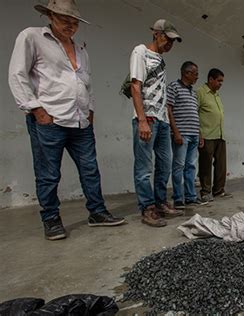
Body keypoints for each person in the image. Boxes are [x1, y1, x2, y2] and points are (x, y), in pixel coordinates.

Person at [8, 0, 125, 240]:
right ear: (50, 15)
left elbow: (86, 83)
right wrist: (36, 109)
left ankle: (97, 212)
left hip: (81, 121)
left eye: (74, 23)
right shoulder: (32, 37)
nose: (70, 26)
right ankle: (51, 219)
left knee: (90, 170)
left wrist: (90, 110)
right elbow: (17, 74)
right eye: (65, 20)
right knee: (48, 174)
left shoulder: (80, 49)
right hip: (50, 120)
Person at [129, 19, 183, 227]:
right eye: (167, 39)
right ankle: (147, 208)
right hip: (147, 119)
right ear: (156, 34)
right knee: (144, 167)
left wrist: (168, 121)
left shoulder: (161, 60)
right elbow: (136, 86)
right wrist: (142, 120)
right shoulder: (140, 52)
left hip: (162, 120)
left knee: (165, 164)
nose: (169, 44)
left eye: (172, 41)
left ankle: (160, 202)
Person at [167, 61, 208, 209]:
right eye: (195, 74)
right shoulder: (173, 87)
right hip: (182, 134)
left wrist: (200, 134)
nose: (197, 77)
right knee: (179, 166)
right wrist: (176, 132)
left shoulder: (193, 92)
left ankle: (190, 197)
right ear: (187, 73)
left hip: (193, 134)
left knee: (191, 166)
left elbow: (195, 114)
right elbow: (169, 110)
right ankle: (178, 198)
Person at [197, 68, 232, 202]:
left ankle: (219, 190)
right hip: (206, 135)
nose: (220, 84)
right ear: (210, 79)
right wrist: (199, 133)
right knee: (205, 165)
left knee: (221, 165)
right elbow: (194, 113)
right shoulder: (200, 93)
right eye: (219, 81)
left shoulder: (217, 95)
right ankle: (205, 192)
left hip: (220, 135)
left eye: (222, 81)